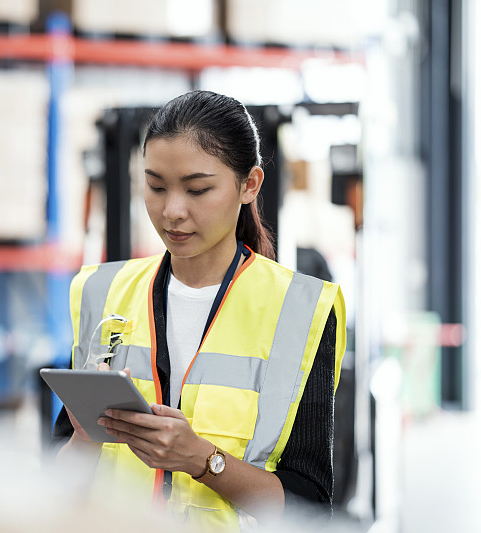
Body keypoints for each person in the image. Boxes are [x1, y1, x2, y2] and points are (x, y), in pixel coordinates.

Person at [53, 90, 346, 531]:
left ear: (249, 185)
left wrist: (201, 461)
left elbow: (309, 505)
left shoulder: (301, 309)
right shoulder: (101, 291)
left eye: (198, 189)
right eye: (155, 186)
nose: (172, 211)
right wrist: (81, 439)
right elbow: (57, 482)